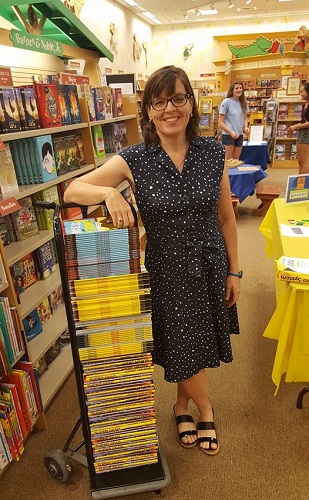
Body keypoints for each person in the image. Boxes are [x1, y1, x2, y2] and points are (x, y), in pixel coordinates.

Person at [64, 65, 241, 456]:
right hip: (167, 269)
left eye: (178, 98)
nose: (169, 109)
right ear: (146, 111)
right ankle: (205, 408)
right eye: (158, 102)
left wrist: (234, 270)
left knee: (195, 341)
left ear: (191, 104)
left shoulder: (213, 153)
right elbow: (73, 190)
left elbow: (226, 217)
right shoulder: (135, 159)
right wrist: (108, 194)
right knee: (183, 341)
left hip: (210, 263)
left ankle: (181, 405)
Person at [218, 81, 249, 160]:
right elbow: (220, 122)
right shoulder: (226, 102)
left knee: (236, 161)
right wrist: (230, 132)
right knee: (228, 161)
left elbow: (245, 117)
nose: (239, 90)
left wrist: (246, 126)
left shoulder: (244, 103)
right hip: (228, 135)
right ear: (232, 90)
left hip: (239, 134)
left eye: (241, 88)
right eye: (236, 88)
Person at [288, 82, 309, 174]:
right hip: (302, 133)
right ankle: (302, 183)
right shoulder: (305, 104)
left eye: (302, 91)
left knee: (304, 162)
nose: (300, 94)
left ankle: (304, 185)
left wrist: (296, 126)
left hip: (306, 134)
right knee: (301, 161)